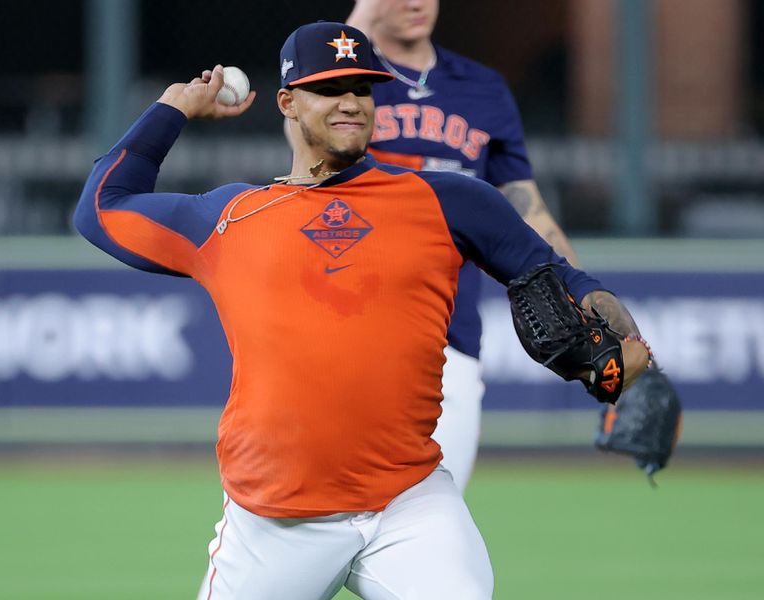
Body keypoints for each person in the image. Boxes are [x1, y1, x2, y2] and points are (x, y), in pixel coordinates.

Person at [75, 21, 650, 600]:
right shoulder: (228, 217)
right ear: (287, 102)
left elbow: (552, 274)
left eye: (363, 87)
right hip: (275, 520)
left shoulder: (448, 201)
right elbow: (101, 208)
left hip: (410, 506)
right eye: (329, 88)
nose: (351, 102)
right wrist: (171, 110)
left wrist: (600, 307)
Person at [346, 0, 583, 490]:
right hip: (347, 330)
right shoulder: (348, 81)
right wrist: (358, 24)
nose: (416, 3)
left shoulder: (483, 89)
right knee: (328, 522)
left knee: (433, 516)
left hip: (448, 337)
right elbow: (301, 143)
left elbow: (527, 209)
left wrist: (581, 293)